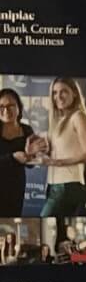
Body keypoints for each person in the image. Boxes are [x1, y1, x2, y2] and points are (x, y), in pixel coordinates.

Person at [38, 77, 86, 218]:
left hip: (68, 186)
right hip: (53, 186)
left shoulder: (79, 116)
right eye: (55, 93)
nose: (58, 96)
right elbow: (59, 151)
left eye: (63, 91)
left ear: (74, 93)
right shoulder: (58, 121)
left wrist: (56, 162)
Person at [0, 88, 32, 216]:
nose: (6, 110)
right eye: (1, 106)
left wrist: (32, 156)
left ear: (19, 108)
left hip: (16, 186)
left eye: (10, 106)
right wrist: (12, 157)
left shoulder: (27, 130)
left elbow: (31, 164)